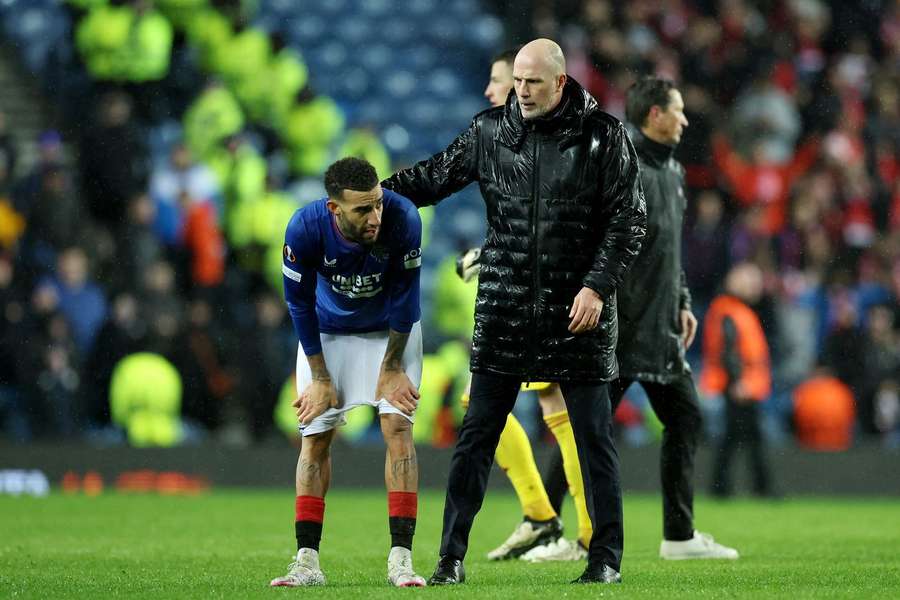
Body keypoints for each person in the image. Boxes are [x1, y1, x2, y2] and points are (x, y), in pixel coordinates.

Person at [384, 39, 646, 585]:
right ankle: (450, 559)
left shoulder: (603, 136)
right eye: (517, 81)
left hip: (578, 313)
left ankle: (605, 560)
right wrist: (371, 195)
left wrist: (597, 287)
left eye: (531, 82)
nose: (520, 92)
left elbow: (628, 220)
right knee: (476, 436)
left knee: (594, 437)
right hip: (504, 309)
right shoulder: (489, 131)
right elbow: (432, 178)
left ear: (559, 83)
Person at [536, 76, 739, 561]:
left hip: (658, 330)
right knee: (583, 428)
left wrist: (683, 300)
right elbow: (595, 243)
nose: (686, 120)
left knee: (684, 419)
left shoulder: (673, 172)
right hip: (619, 328)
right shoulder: (618, 164)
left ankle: (679, 536)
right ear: (654, 115)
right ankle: (547, 529)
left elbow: (669, 250)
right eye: (678, 110)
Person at [461, 48, 594, 563]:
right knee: (547, 408)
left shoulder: (550, 138)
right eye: (503, 82)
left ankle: (564, 525)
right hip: (532, 292)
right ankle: (561, 523)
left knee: (549, 408)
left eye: (506, 82)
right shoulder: (512, 140)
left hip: (547, 298)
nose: (497, 92)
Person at [270, 157, 427, 588]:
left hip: (388, 332)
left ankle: (401, 559)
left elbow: (406, 299)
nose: (375, 216)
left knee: (398, 428)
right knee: (315, 438)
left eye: (377, 204)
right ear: (334, 208)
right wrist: (319, 377)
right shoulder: (303, 229)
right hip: (329, 332)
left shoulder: (404, 218)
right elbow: (298, 304)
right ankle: (306, 562)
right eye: (363, 209)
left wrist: (392, 366)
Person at [700, 261, 776, 498]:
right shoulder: (729, 310)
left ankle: (726, 488)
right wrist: (737, 381)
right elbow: (728, 349)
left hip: (742, 385)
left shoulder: (733, 309)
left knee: (737, 439)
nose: (756, 287)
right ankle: (755, 488)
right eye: (751, 282)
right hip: (737, 386)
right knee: (743, 438)